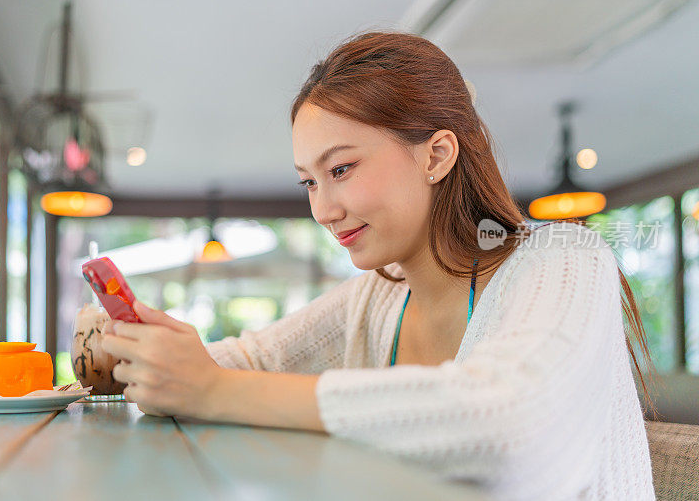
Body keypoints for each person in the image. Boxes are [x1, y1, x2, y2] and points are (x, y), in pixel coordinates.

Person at [102, 31, 657, 500]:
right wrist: (113, 347)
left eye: (340, 169)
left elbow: (507, 425)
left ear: (436, 155)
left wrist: (213, 391)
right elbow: (245, 361)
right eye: (309, 182)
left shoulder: (566, 260)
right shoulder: (379, 295)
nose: (322, 209)